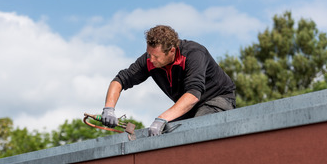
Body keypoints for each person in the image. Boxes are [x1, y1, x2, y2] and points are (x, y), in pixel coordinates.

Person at [101, 25, 236, 136]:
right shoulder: (149, 60)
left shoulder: (194, 53)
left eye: (156, 56)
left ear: (171, 51)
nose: (151, 59)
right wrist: (109, 108)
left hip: (217, 99)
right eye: (149, 54)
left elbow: (193, 94)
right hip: (189, 107)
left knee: (196, 133)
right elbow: (119, 80)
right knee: (165, 135)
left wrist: (161, 118)